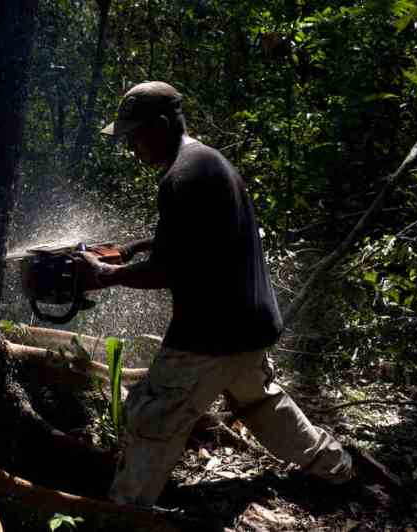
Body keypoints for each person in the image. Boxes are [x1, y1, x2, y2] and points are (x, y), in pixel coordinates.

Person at [79, 81, 353, 507]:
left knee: (152, 416)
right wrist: (135, 247)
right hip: (250, 326)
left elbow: (168, 269)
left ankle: (123, 513)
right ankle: (337, 469)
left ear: (164, 124)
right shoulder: (207, 162)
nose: (131, 146)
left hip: (208, 338)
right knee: (263, 404)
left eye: (135, 135)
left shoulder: (181, 178)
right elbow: (201, 239)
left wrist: (105, 274)